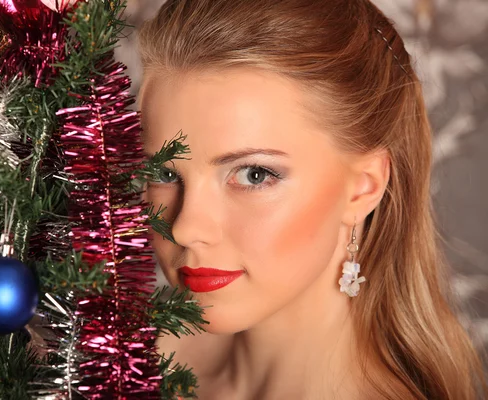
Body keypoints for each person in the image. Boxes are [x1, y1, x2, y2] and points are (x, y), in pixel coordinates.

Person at [136, 0, 488, 399]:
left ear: (364, 187)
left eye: (255, 174)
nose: (185, 228)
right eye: (164, 173)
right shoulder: (131, 355)